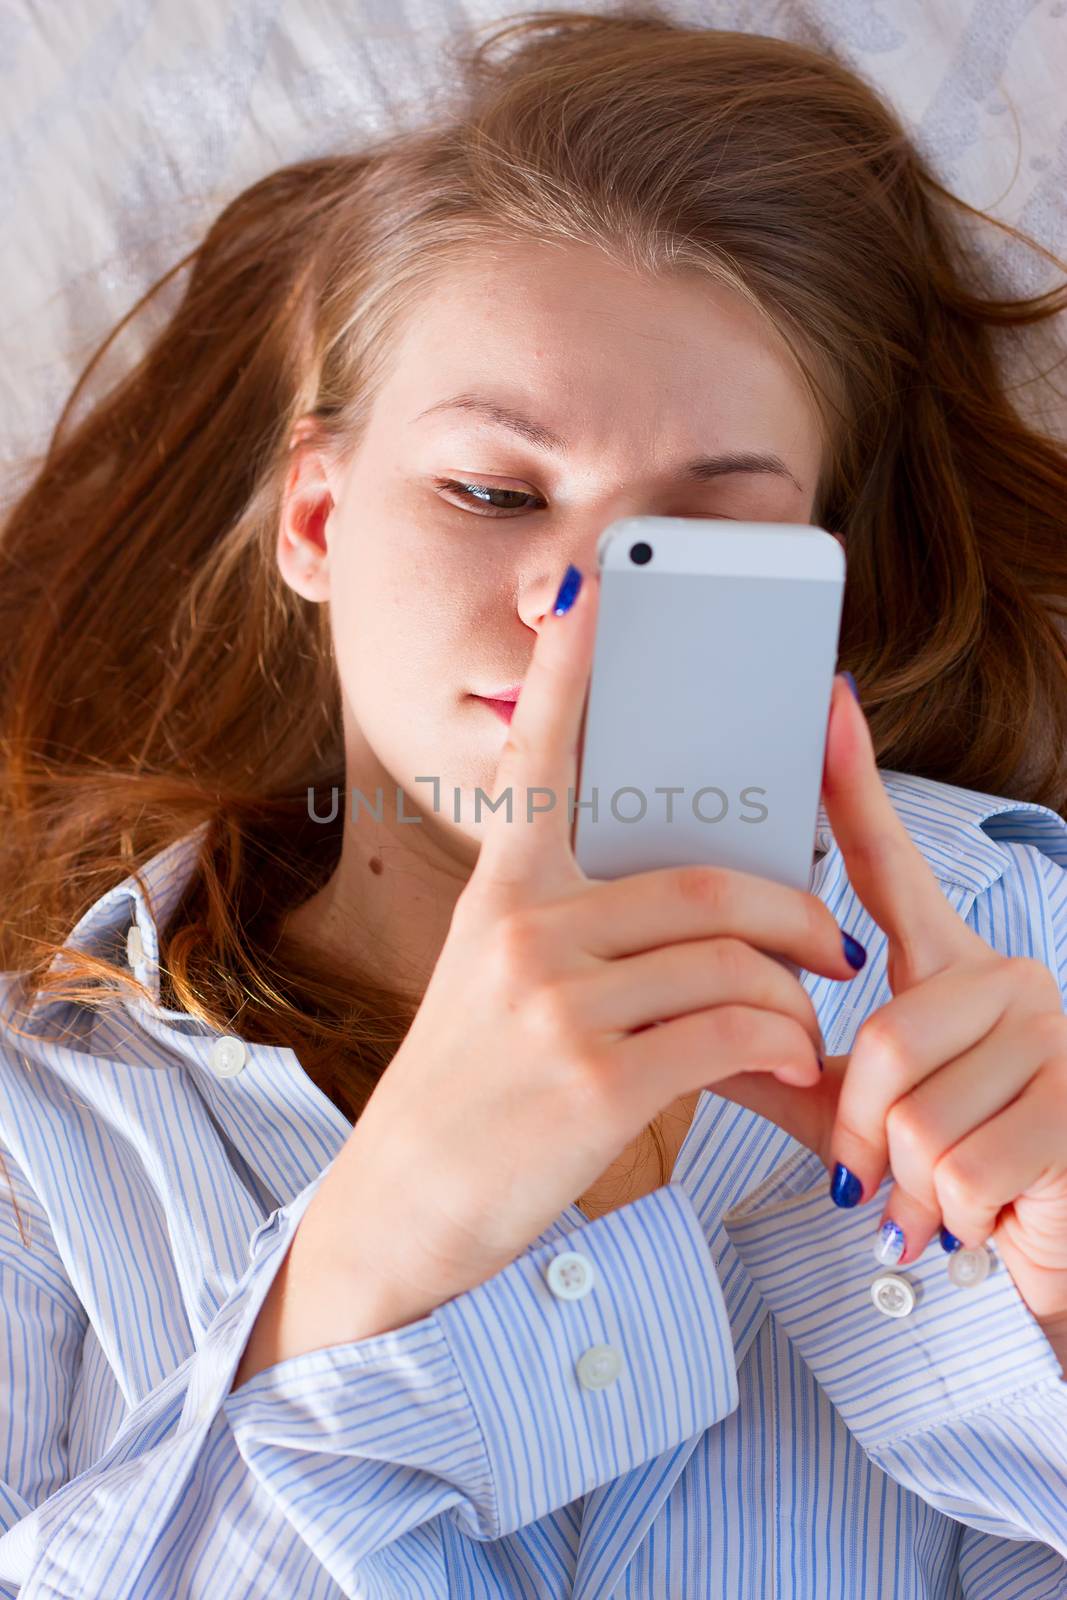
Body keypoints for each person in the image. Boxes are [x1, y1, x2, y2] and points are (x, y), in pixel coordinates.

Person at [1, 5, 1066, 1595]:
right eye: (494, 493)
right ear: (314, 513)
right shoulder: (43, 1132)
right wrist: (381, 1247)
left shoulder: (1027, 953)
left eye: (697, 530)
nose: (580, 607)